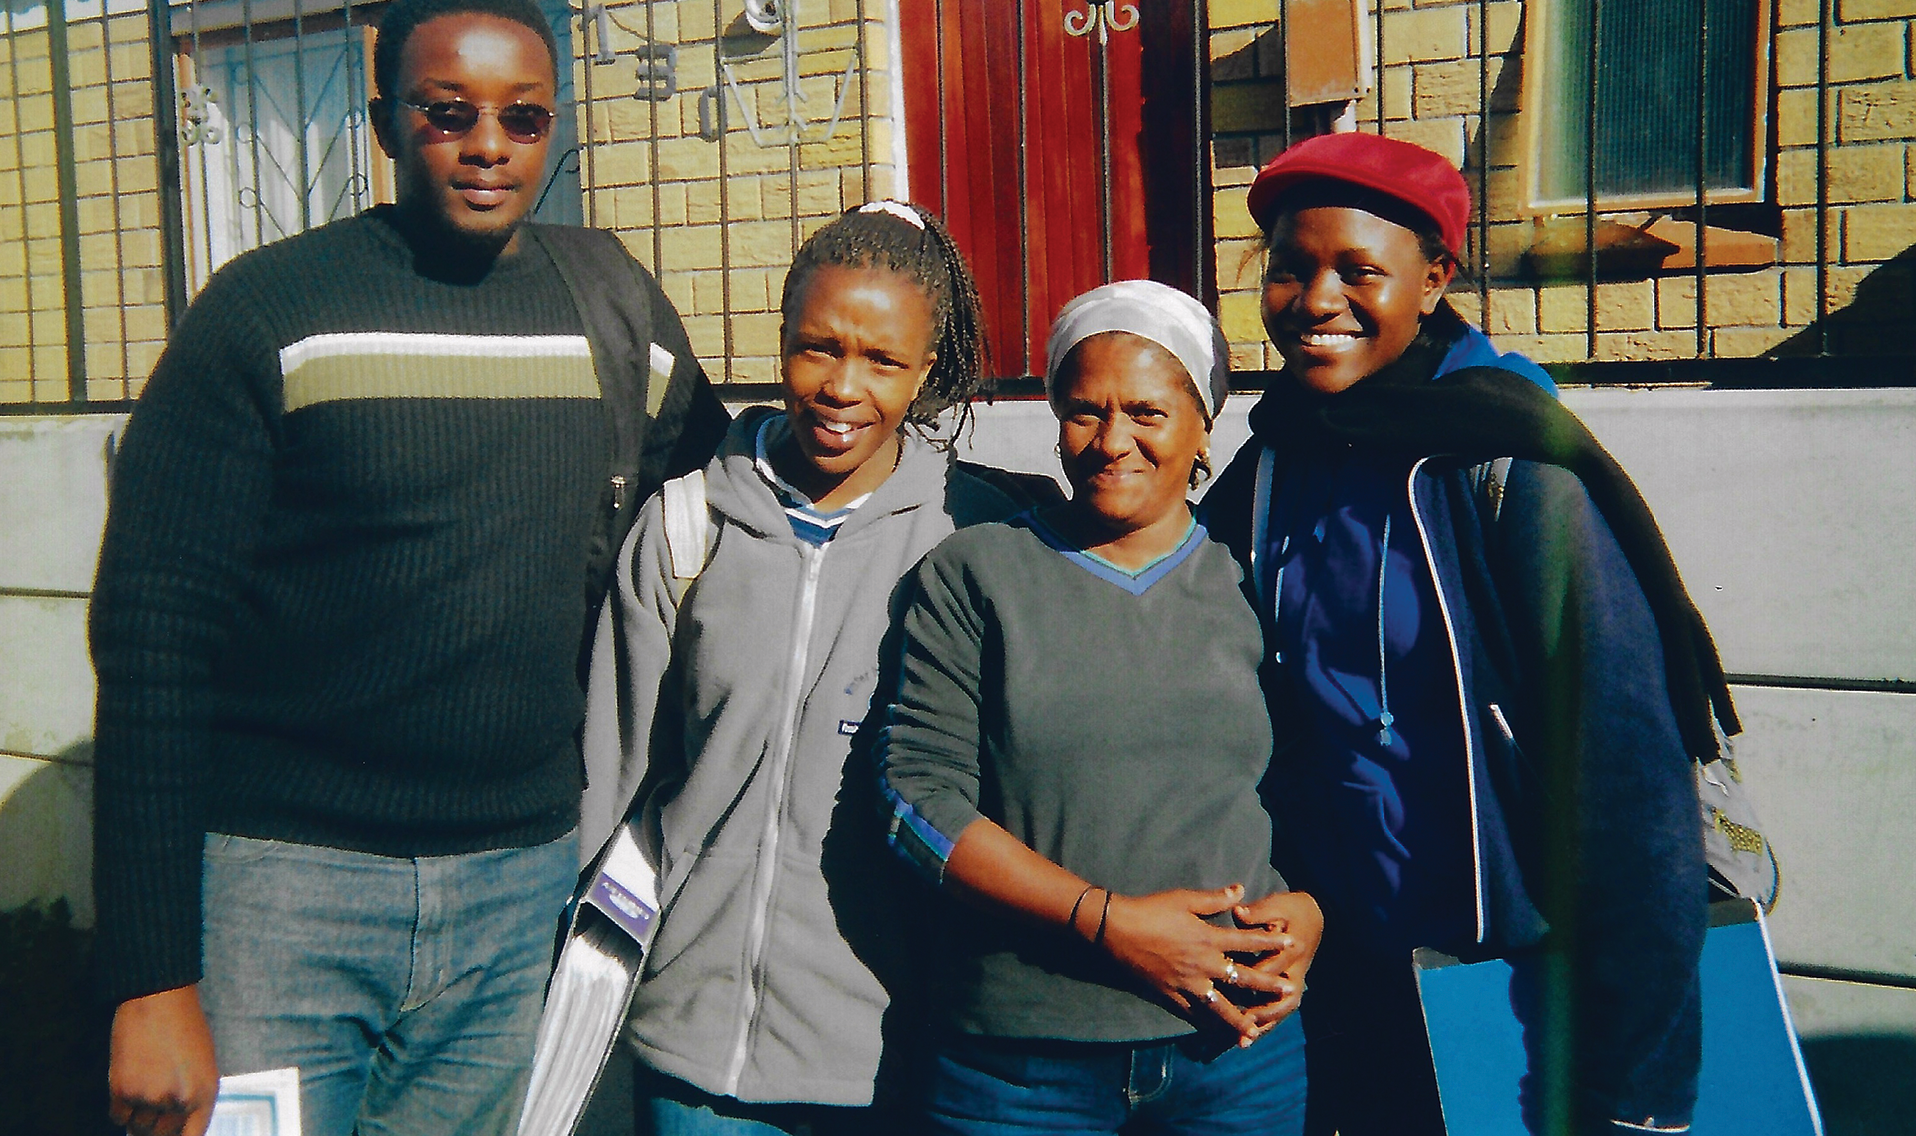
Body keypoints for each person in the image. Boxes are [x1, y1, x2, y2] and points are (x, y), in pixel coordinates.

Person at [91, 0, 729, 1136]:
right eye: (448, 111)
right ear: (387, 119)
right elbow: (152, 640)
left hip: (519, 886)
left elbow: (737, 503)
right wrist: (150, 974)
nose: (488, 144)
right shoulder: (270, 313)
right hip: (282, 892)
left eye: (522, 116)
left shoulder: (616, 314)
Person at [1200, 131, 1721, 1134]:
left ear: (1434, 278)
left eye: (1359, 271)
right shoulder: (1273, 463)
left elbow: (1630, 787)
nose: (1316, 300)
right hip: (1339, 979)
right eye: (1290, 269)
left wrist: (1636, 1094)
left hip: (1512, 985)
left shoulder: (1509, 468)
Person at [594, 201, 1054, 1134]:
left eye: (883, 360)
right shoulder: (686, 526)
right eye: (819, 348)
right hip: (692, 1045)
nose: (843, 386)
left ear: (926, 370)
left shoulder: (973, 539)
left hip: (894, 1050)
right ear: (782, 340)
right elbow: (610, 780)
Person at [878, 280, 1324, 1136]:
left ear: (1204, 427)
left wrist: (1314, 907)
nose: (1113, 441)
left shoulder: (1257, 580)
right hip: (1018, 1068)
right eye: (1085, 412)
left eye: (1148, 413)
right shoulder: (978, 573)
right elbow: (915, 801)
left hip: (1236, 1056)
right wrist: (1107, 923)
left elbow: (1319, 776)